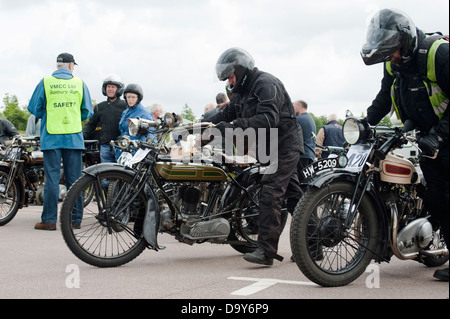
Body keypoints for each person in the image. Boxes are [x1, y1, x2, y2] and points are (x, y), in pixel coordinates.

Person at [361, 8, 449, 282]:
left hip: (444, 133)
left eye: (394, 51)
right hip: (426, 137)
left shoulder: (439, 55)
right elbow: (384, 97)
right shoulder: (393, 62)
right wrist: (365, 122)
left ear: (406, 40)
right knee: (435, 197)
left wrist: (440, 133)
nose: (392, 58)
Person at [211, 47, 303, 265]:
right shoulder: (241, 91)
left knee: (270, 193)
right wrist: (203, 124)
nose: (230, 82)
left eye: (231, 76)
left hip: (284, 144)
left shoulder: (265, 83)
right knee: (296, 197)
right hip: (267, 145)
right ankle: (313, 246)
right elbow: (227, 112)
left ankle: (266, 251)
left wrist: (234, 126)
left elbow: (268, 119)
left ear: (241, 69)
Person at [28, 52, 93, 230]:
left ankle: (49, 220)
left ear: (58, 66)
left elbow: (34, 108)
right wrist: (72, 118)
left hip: (51, 137)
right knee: (75, 180)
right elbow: (87, 111)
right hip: (73, 138)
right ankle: (75, 220)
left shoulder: (46, 82)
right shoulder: (79, 83)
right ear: (71, 66)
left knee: (52, 180)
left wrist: (49, 115)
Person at [83, 74, 126, 163]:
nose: (110, 89)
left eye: (113, 87)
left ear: (118, 89)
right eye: (108, 87)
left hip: (121, 147)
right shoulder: (100, 107)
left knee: (122, 174)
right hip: (105, 147)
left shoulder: (125, 106)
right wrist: (82, 136)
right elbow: (91, 125)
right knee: (106, 173)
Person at [117, 83, 154, 148]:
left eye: (133, 97)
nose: (130, 99)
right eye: (128, 97)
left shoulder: (144, 114)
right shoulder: (125, 113)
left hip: (137, 150)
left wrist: (149, 141)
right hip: (123, 148)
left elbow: (151, 132)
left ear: (138, 98)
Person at [293, 100, 316, 171]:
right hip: (310, 155)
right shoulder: (311, 119)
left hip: (302, 156)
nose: (292, 108)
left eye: (293, 106)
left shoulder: (298, 119)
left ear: (299, 106)